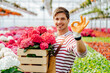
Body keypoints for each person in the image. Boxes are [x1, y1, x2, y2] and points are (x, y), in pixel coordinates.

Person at [52, 7, 89, 73]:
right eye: (57, 19)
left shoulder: (70, 38)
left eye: (62, 19)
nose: (59, 22)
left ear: (68, 20)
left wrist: (77, 37)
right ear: (53, 20)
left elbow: (82, 53)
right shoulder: (55, 38)